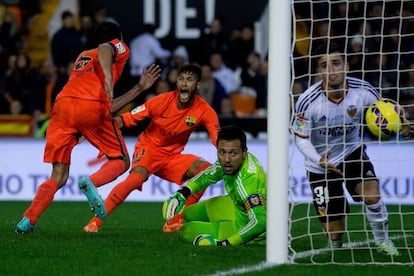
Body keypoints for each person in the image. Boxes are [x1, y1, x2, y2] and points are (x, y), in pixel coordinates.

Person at [15, 21, 161, 233]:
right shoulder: (117, 47)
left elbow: (107, 107)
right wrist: (109, 81)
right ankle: (91, 182)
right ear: (117, 39)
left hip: (63, 106)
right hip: (89, 107)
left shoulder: (83, 56)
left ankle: (28, 220)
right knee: (121, 160)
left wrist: (139, 88)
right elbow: (105, 48)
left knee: (58, 175)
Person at [291, 41, 404, 256]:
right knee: (334, 235)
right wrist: (319, 159)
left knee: (372, 196)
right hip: (320, 164)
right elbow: (301, 139)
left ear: (346, 66)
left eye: (336, 63)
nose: (331, 71)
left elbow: (385, 116)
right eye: (324, 65)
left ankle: (384, 242)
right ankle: (337, 223)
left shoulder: (365, 91)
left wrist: (402, 126)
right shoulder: (307, 101)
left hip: (351, 151)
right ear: (319, 71)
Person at [83, 64, 220, 233]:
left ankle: (176, 221)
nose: (184, 84)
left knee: (206, 170)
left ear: (197, 85)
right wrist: (97, 129)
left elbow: (217, 139)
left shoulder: (205, 110)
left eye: (190, 80)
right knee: (134, 180)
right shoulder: (161, 101)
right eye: (181, 79)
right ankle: (95, 223)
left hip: (172, 157)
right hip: (148, 149)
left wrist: (228, 152)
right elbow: (127, 119)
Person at [162, 125, 266, 246]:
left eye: (233, 153)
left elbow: (260, 223)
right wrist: (183, 192)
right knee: (189, 213)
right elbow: (207, 176)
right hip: (236, 206)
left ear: (244, 152)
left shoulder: (249, 182)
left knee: (185, 232)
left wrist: (227, 243)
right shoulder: (231, 162)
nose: (226, 159)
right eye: (222, 152)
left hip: (245, 227)